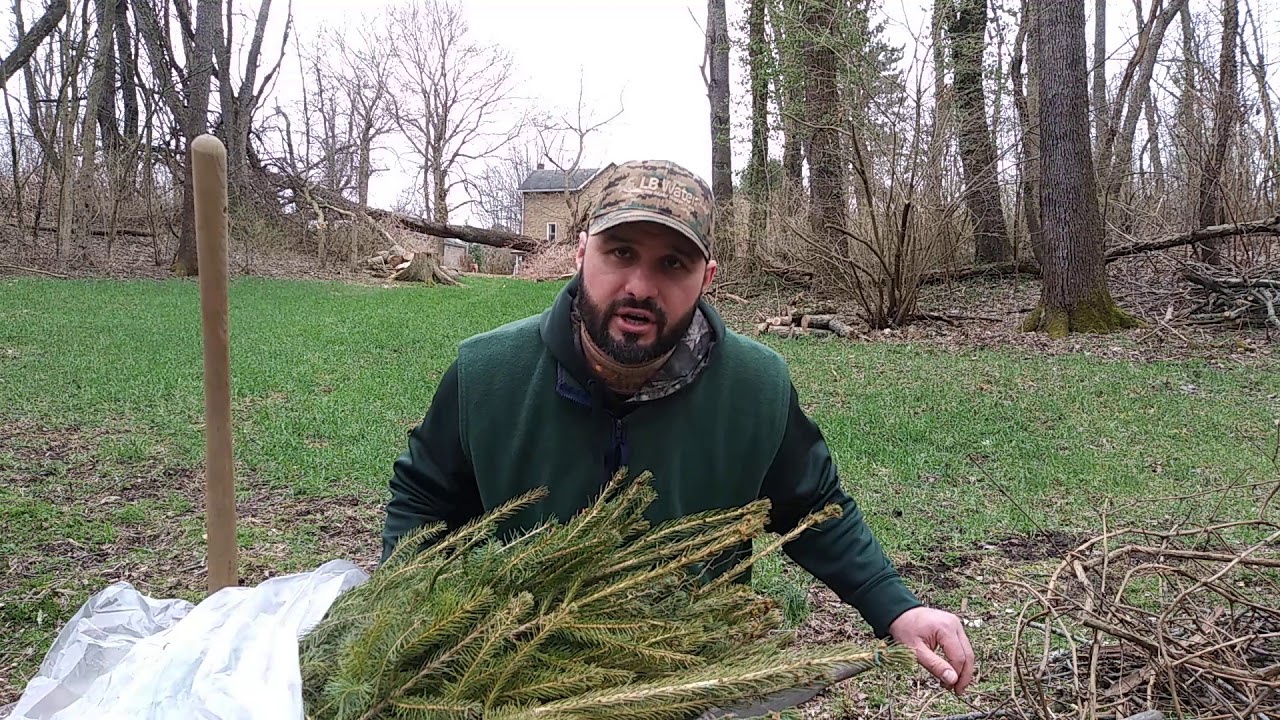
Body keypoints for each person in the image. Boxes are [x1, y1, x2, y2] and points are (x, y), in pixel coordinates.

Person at [380, 159, 975, 694]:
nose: (641, 285)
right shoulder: (488, 374)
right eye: (620, 253)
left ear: (707, 277)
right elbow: (423, 497)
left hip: (695, 677)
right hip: (519, 680)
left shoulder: (755, 387)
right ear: (580, 251)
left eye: (673, 263)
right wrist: (398, 617)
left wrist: (896, 609)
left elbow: (814, 504)